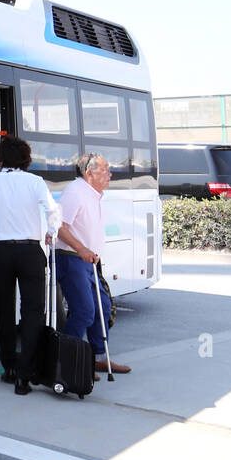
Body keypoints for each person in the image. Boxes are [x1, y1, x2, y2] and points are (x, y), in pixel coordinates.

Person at [0, 135, 63, 395]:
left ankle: (8, 367)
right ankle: (25, 374)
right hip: (30, 251)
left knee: (4, 309)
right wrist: (51, 232)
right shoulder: (35, 182)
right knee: (33, 311)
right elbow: (53, 211)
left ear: (0, 158)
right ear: (26, 158)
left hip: (1, 252)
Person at [56, 153, 131, 376]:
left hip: (88, 261)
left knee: (103, 307)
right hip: (72, 258)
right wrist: (81, 248)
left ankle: (98, 358)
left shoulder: (93, 194)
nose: (110, 174)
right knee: (83, 312)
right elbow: (60, 226)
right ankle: (66, 362)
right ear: (89, 173)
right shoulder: (75, 192)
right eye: (104, 169)